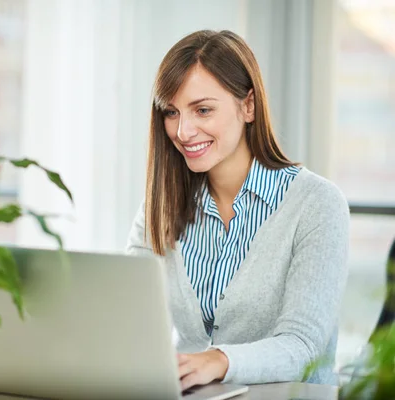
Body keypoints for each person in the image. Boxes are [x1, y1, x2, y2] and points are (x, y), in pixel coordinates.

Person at [126, 30, 349, 391]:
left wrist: (219, 361)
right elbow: (127, 315)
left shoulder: (317, 205)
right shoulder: (161, 207)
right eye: (171, 112)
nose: (183, 131)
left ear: (248, 106)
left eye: (202, 110)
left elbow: (304, 347)